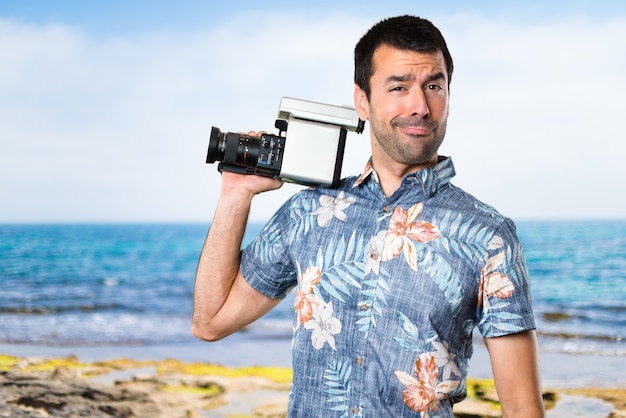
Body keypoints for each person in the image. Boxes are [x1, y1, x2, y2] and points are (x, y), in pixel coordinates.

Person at [193, 15, 544, 417]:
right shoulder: (309, 212)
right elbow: (210, 322)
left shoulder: (489, 237)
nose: (421, 106)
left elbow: (522, 408)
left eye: (434, 86)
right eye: (399, 87)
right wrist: (235, 195)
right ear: (362, 100)